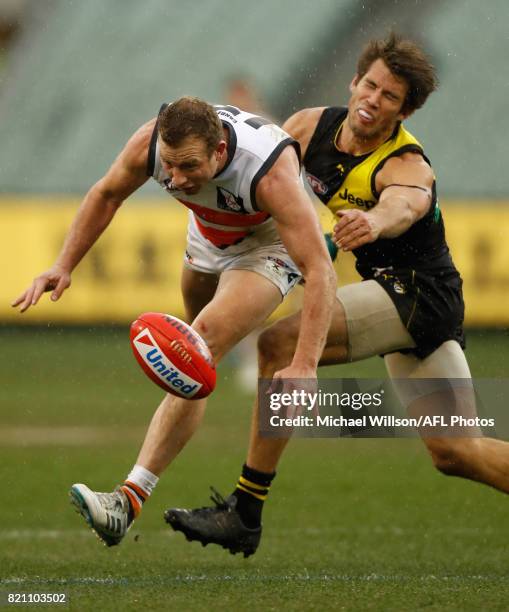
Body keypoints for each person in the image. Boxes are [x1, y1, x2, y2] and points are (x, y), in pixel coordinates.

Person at [165, 33, 509, 557]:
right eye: (369, 85)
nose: (373, 99)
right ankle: (245, 512)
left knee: (279, 345)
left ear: (405, 110)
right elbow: (258, 166)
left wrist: (373, 221)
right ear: (354, 81)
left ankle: (245, 511)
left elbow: (406, 205)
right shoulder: (308, 126)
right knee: (456, 452)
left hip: (420, 293)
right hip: (399, 298)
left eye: (390, 96)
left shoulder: (406, 165)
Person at [12, 96, 336, 547]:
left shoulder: (268, 169)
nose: (175, 180)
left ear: (220, 152)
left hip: (269, 244)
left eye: (188, 167)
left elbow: (321, 269)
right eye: (169, 166)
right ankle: (139, 500)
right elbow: (107, 193)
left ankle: (127, 500)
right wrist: (63, 264)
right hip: (207, 235)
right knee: (193, 367)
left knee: (195, 346)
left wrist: (305, 364)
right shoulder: (152, 144)